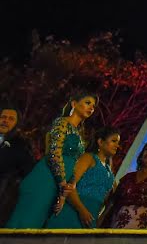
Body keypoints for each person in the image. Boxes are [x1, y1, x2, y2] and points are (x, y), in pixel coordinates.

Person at [5, 91, 96, 228]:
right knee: (24, 225)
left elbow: (75, 165)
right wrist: (62, 183)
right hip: (44, 180)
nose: (91, 108)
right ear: (74, 104)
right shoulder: (61, 123)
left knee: (35, 229)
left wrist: (64, 194)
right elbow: (54, 154)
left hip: (58, 186)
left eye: (93, 106)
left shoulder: (80, 135)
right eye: (87, 103)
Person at [46, 126, 120, 228]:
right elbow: (70, 184)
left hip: (90, 218)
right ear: (100, 142)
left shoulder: (110, 172)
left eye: (118, 142)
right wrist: (82, 210)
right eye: (114, 141)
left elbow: (109, 199)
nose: (117, 145)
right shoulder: (88, 158)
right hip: (73, 211)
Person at [103, 140, 147, 229]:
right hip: (118, 228)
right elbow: (112, 204)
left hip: (145, 231)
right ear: (141, 156)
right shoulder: (127, 178)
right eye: (146, 149)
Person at [0, 104, 35, 226]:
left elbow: (28, 172)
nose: (5, 121)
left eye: (11, 119)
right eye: (3, 117)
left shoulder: (21, 145)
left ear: (17, 124)